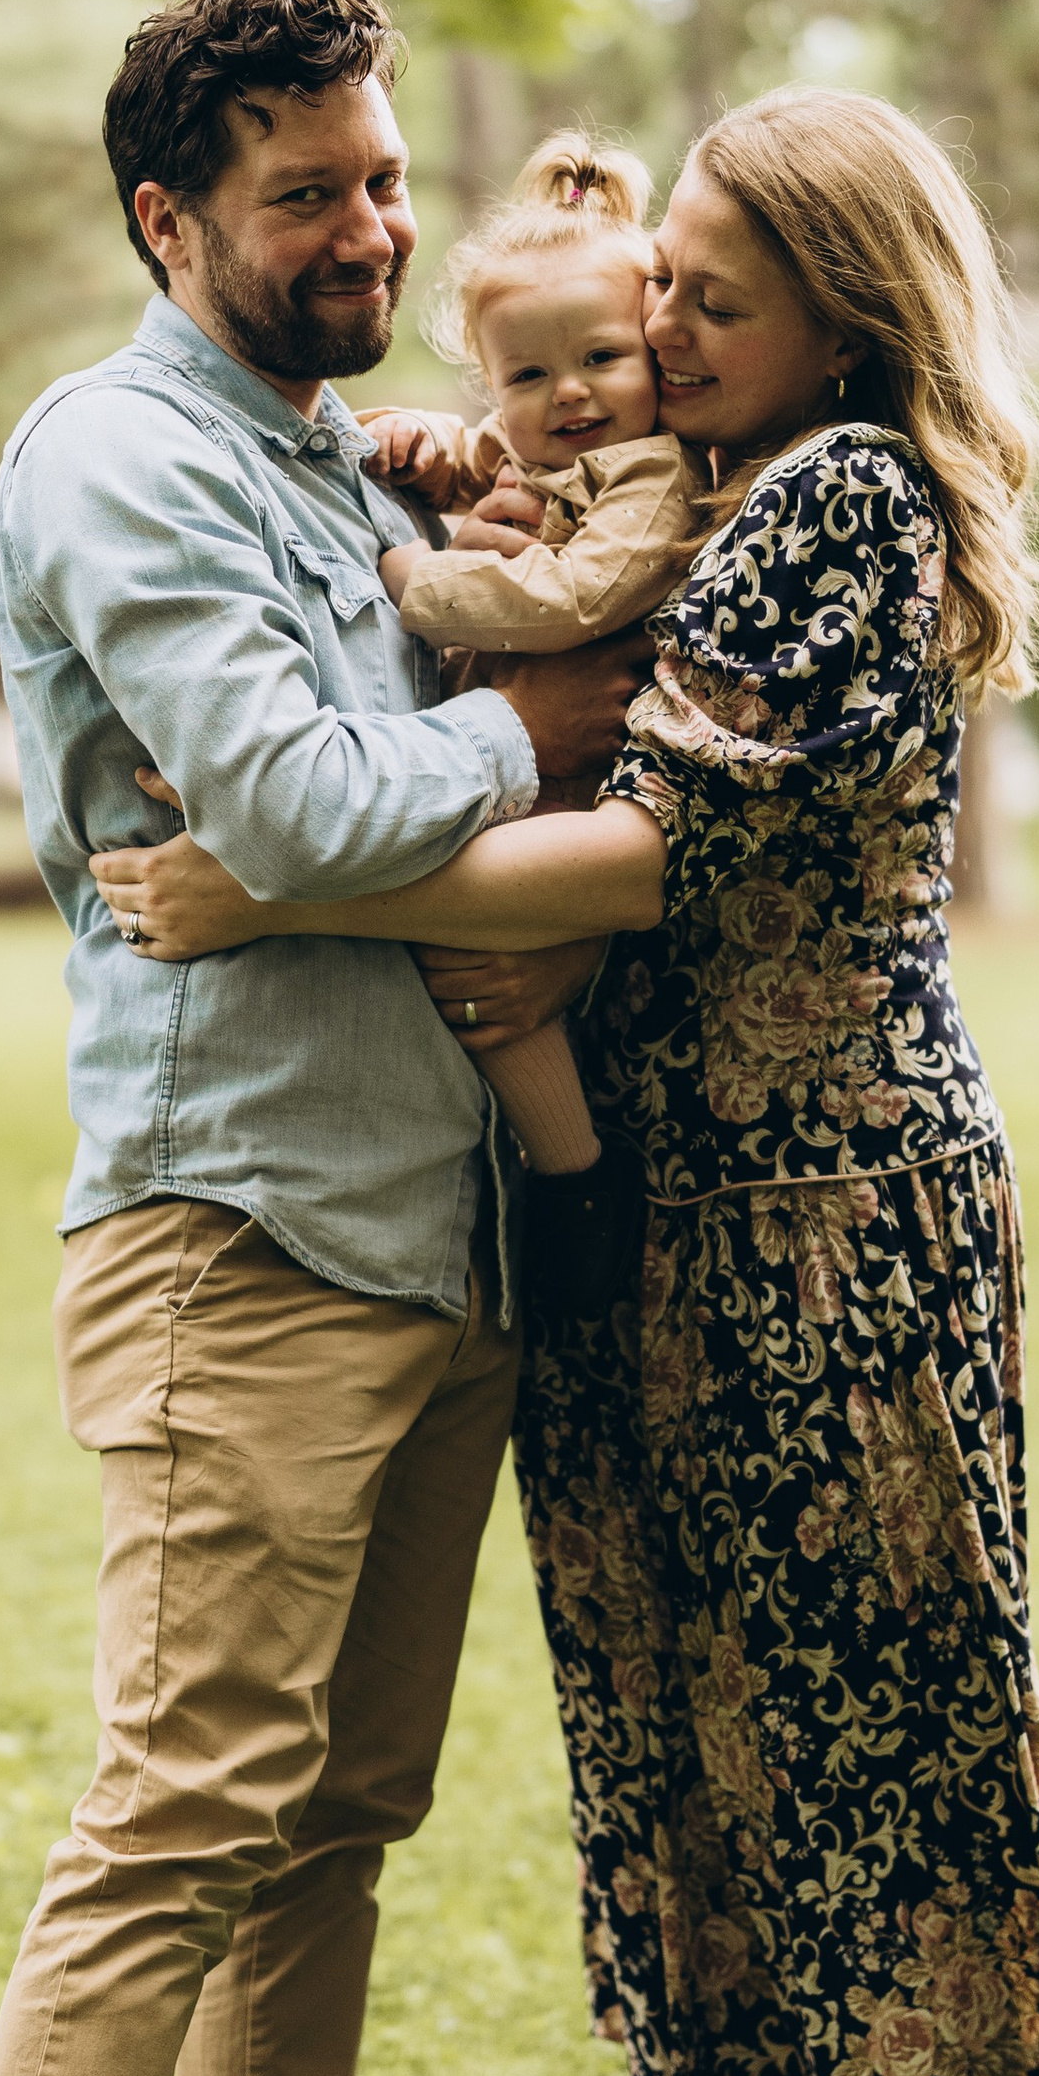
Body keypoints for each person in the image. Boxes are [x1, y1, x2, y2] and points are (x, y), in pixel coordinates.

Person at [95, 84, 1039, 2076]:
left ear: (847, 322)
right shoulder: (676, 478)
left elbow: (649, 847)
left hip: (825, 1207)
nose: (656, 324)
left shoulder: (846, 502)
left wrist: (273, 885)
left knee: (865, 1742)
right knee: (668, 1742)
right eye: (655, 276)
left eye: (712, 298)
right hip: (624, 1207)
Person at [0, 0, 638, 2076]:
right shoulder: (119, 461)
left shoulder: (328, 457)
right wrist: (538, 714)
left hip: (422, 1240)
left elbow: (339, 787)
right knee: (179, 1826)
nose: (374, 230)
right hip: (241, 1245)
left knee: (331, 1820)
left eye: (386, 176)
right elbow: (301, 810)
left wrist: (441, 654)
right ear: (165, 221)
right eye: (307, 191)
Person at [358, 130, 712, 1305]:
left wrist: (421, 583)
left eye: (602, 358)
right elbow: (484, 459)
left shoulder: (650, 477)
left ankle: (575, 1175)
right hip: (506, 744)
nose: (567, 396)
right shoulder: (546, 450)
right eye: (523, 377)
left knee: (482, 966)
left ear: (654, 356)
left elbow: (576, 597)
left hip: (579, 772)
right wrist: (428, 448)